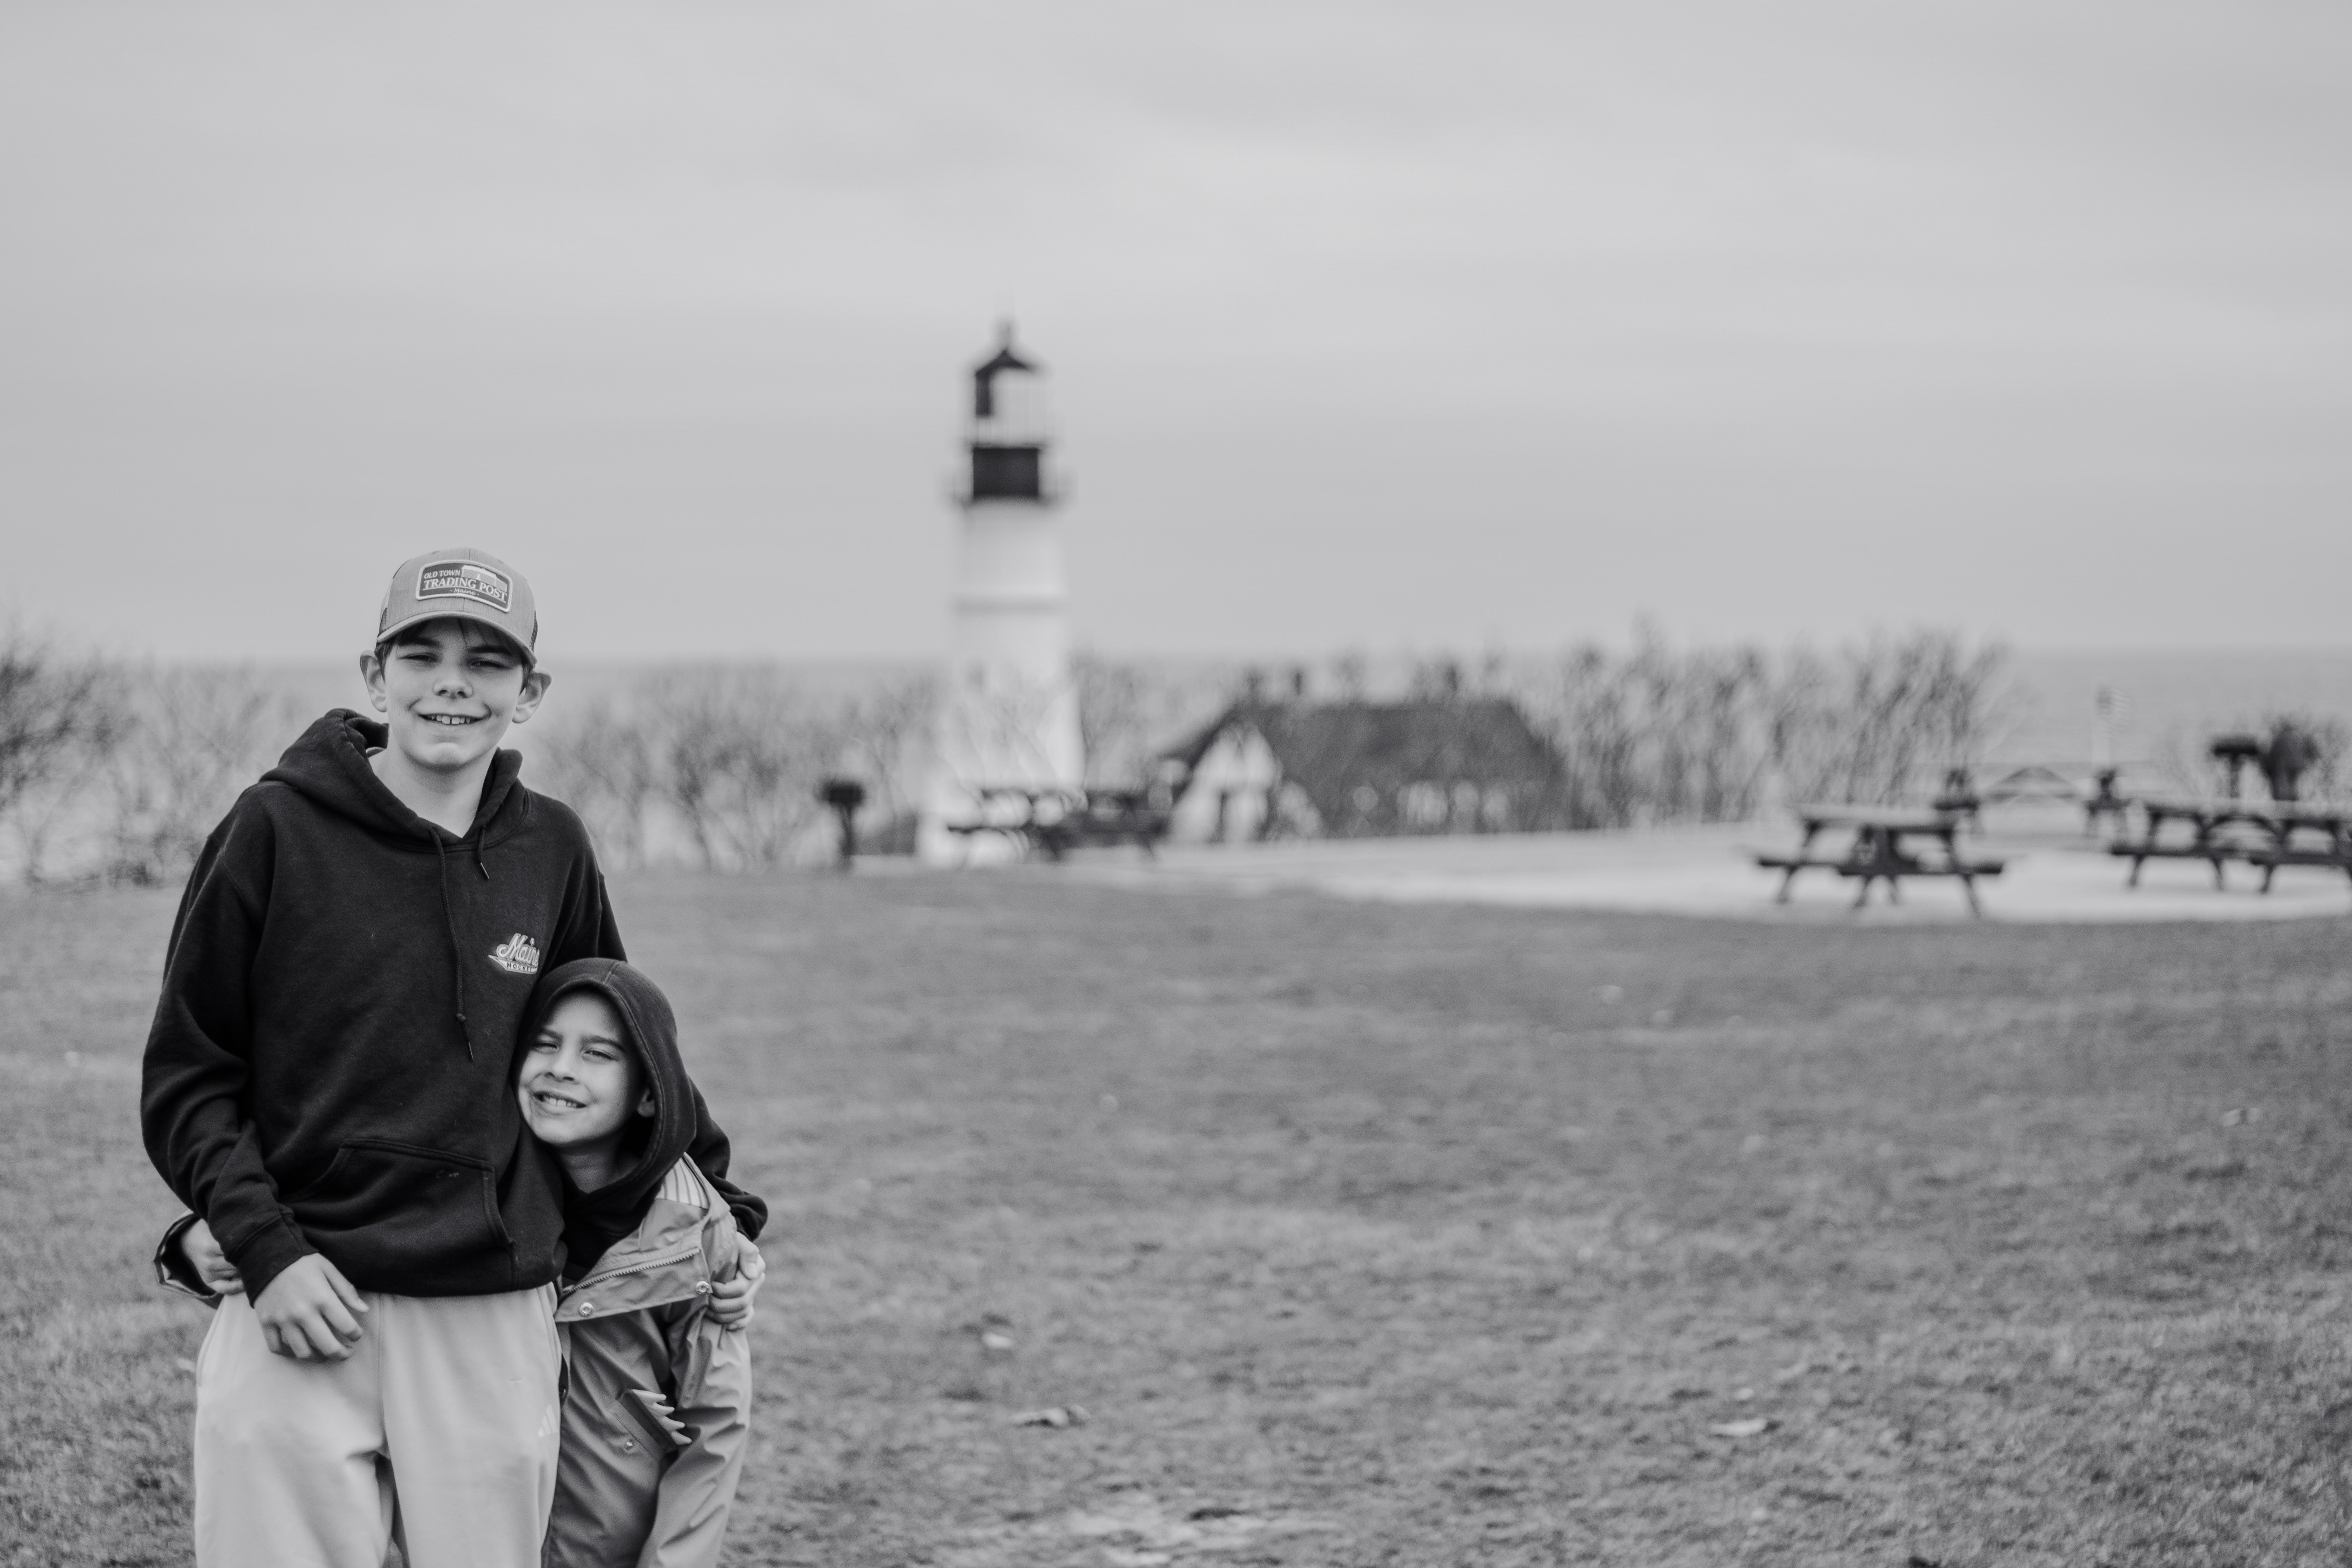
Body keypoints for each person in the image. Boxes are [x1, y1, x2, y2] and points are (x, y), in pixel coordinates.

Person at [141, 548, 768, 1568]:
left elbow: (618, 1046)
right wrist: (264, 1247)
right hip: (299, 1296)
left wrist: (725, 1218)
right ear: (373, 673)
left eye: (487, 663)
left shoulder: (553, 847)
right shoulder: (270, 831)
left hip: (490, 1313)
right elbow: (190, 1076)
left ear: (530, 693)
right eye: (421, 653)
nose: (452, 684)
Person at [521, 958, 753, 1568]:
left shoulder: (692, 1234)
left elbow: (714, 1430)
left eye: (597, 1054)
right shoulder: (473, 1207)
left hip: (611, 1546)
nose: (560, 1069)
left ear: (650, 1094)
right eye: (543, 1045)